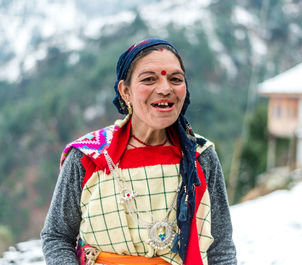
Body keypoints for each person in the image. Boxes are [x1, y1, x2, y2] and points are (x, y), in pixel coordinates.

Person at [41, 38, 237, 265]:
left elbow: (220, 249)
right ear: (125, 91)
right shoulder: (88, 157)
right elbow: (57, 237)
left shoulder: (200, 157)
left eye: (175, 79)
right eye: (149, 79)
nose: (165, 89)